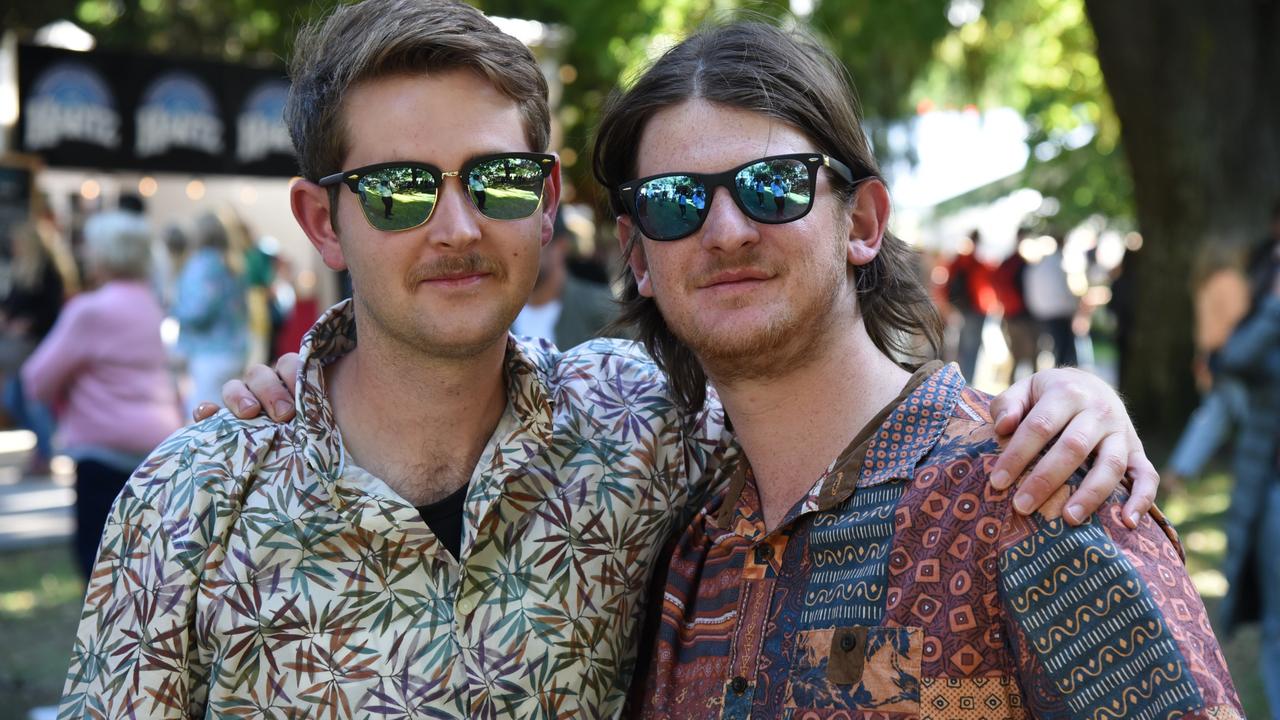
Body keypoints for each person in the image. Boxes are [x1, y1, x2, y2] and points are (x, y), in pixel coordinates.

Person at [101, 2, 1156, 717]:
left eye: (499, 180)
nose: (457, 226)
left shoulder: (642, 426)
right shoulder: (189, 503)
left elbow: (846, 414)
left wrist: (1071, 401)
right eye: (397, 190)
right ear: (321, 223)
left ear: (552, 205)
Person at [587, 21, 1240, 717]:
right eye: (673, 201)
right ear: (638, 258)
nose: (726, 231)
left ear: (863, 223)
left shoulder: (1032, 492)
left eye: (772, 186)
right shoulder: (686, 547)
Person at [20, 211, 182, 579]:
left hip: (104, 450)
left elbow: (36, 379)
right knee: (143, 567)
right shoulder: (153, 306)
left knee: (97, 565)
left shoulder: (89, 310)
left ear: (102, 254)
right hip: (158, 446)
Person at [173, 211, 248, 415]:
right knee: (227, 414)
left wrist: (173, 309)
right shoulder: (232, 263)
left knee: (203, 418)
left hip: (209, 353)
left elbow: (198, 311)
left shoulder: (202, 264)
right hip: (234, 349)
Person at [511, 214, 618, 348]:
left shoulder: (603, 309)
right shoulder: (498, 314)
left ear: (561, 246)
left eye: (527, 241)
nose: (516, 252)